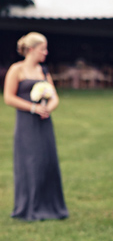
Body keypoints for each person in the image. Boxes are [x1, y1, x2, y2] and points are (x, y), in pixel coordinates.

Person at [3, 32, 68, 221]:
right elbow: (8, 97)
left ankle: (51, 207)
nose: (46, 53)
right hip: (26, 123)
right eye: (43, 49)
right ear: (31, 50)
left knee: (47, 162)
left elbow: (54, 95)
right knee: (31, 163)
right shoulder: (17, 69)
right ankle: (29, 207)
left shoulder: (44, 71)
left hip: (44, 122)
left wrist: (48, 108)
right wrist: (32, 107)